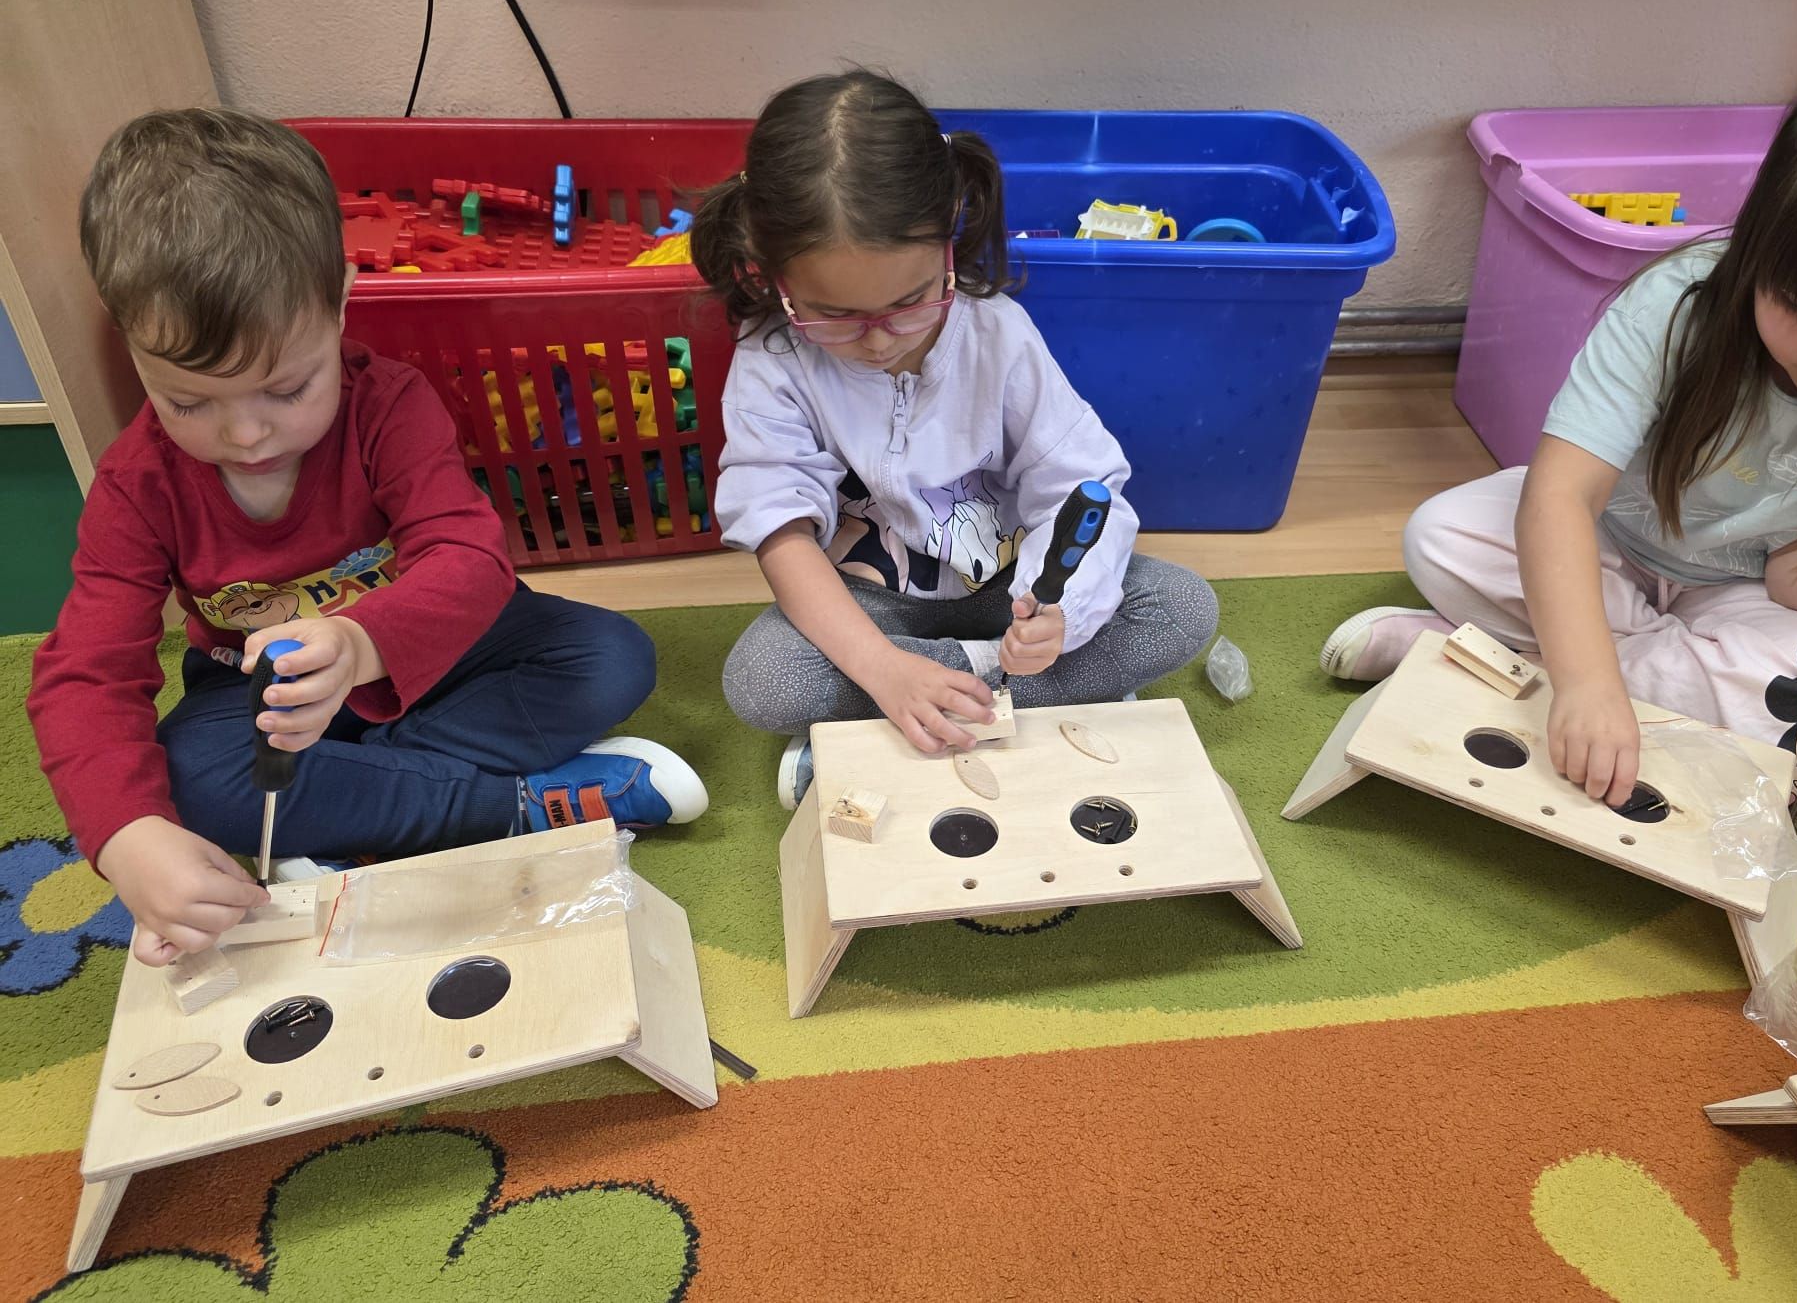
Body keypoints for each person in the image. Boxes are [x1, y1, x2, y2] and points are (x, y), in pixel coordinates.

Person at [29, 108, 707, 968]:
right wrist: (127, 837)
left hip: (433, 652)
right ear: (126, 340)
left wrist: (359, 643)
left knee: (610, 656)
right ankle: (515, 807)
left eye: (287, 388)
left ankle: (363, 809)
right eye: (188, 402)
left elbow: (469, 559)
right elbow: (86, 672)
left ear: (341, 300)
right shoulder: (140, 483)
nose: (246, 435)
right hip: (268, 696)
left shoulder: (389, 405)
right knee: (192, 774)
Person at [1321, 76, 1797, 809]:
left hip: (1752, 594)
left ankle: (1497, 659)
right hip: (1616, 540)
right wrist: (1587, 685)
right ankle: (1635, 693)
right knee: (1442, 535)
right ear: (1755, 257)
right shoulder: (1676, 303)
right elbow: (1562, 496)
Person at [693, 70, 1219, 806]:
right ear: (772, 274)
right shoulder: (773, 358)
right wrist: (882, 667)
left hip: (1010, 590)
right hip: (878, 608)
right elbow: (781, 534)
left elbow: (1079, 485)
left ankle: (908, 715)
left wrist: (1059, 613)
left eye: (910, 301)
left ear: (949, 238)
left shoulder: (997, 335)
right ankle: (1001, 700)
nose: (879, 340)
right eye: (833, 314)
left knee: (1182, 606)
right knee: (763, 681)